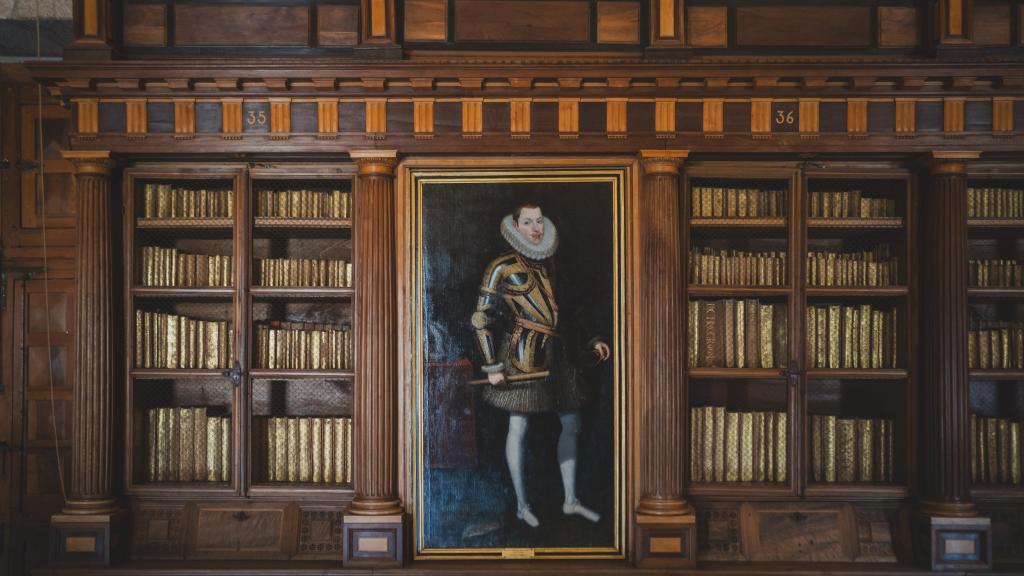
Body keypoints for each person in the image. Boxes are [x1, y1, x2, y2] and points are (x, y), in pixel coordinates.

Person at [470, 203, 611, 528]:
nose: (536, 228)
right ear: (516, 226)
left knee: (572, 423)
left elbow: (572, 309)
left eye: (539, 222)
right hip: (522, 353)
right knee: (518, 427)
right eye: (528, 222)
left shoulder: (552, 263)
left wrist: (591, 339)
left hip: (559, 355)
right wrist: (492, 365)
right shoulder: (501, 266)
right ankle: (521, 505)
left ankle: (571, 500)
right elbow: (481, 318)